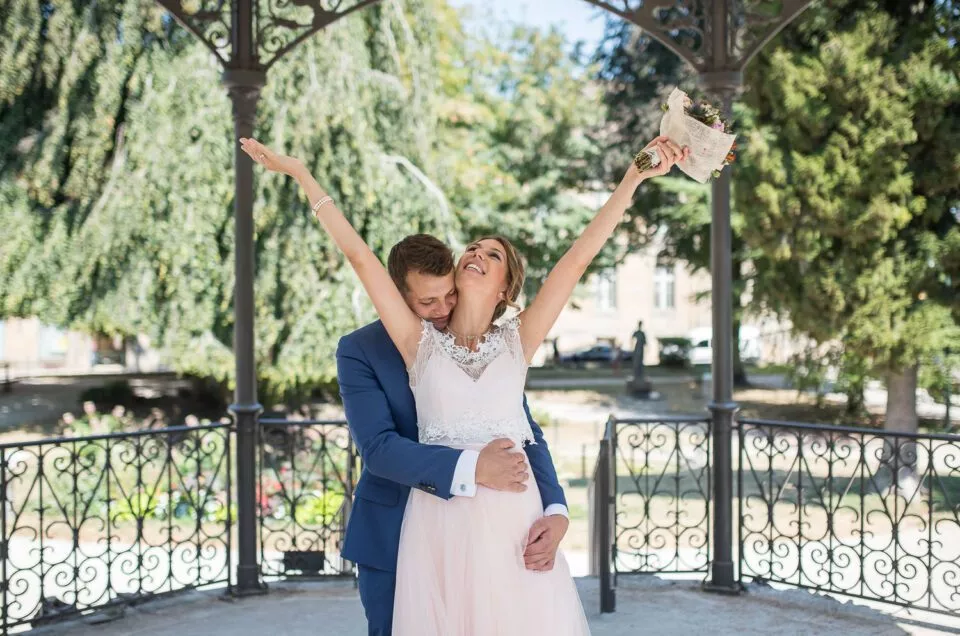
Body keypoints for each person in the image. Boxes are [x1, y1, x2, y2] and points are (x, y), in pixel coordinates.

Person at [239, 133, 688, 635]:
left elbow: (577, 259)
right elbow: (360, 257)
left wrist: (634, 177)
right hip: (438, 521)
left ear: (506, 289)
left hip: (514, 518)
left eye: (492, 255)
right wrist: (302, 174)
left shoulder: (519, 340)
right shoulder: (418, 343)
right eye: (473, 248)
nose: (477, 253)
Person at [337, 233, 568, 635]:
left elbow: (523, 430)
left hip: (484, 537)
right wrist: (473, 466)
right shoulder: (362, 349)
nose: (443, 309)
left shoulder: (486, 343)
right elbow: (378, 448)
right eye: (428, 302)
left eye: (449, 295)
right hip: (391, 529)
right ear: (397, 294)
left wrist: (555, 509)